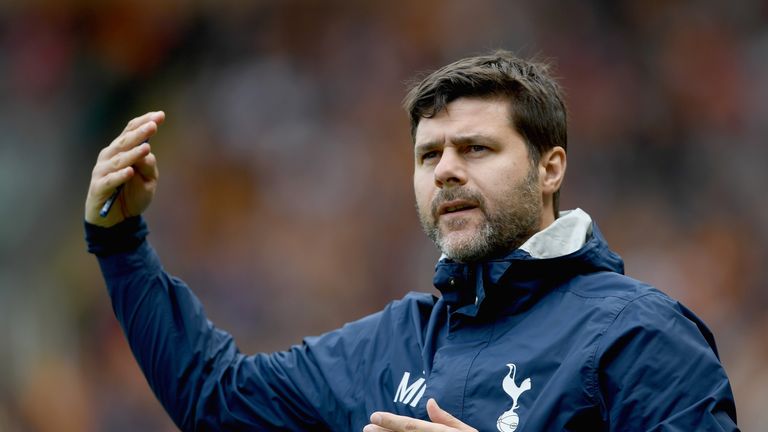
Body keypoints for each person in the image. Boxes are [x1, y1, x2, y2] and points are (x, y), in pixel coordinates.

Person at [84, 51, 739, 431]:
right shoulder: (392, 343)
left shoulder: (641, 335)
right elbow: (215, 399)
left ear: (551, 168)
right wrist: (119, 243)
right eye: (429, 156)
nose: (446, 169)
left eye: (476, 148)